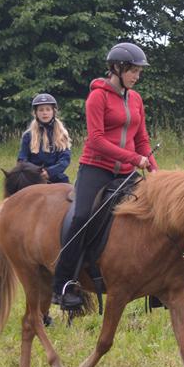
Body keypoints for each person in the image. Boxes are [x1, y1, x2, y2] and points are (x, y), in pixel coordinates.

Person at [51, 42, 158, 311]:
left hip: (126, 172)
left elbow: (142, 139)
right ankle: (63, 284)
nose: (136, 76)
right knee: (82, 217)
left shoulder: (135, 99)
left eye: (138, 72)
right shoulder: (97, 97)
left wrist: (156, 172)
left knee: (156, 213)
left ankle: (157, 283)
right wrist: (135, 159)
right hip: (96, 169)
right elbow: (97, 141)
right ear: (117, 69)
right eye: (133, 71)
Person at [17, 94, 72, 184]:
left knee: (73, 196)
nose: (44, 113)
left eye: (48, 109)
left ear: (53, 112)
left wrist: (49, 172)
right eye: (41, 110)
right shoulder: (28, 135)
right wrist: (37, 172)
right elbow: (22, 159)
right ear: (36, 113)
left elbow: (65, 160)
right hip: (33, 178)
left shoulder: (62, 134)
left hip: (56, 178)